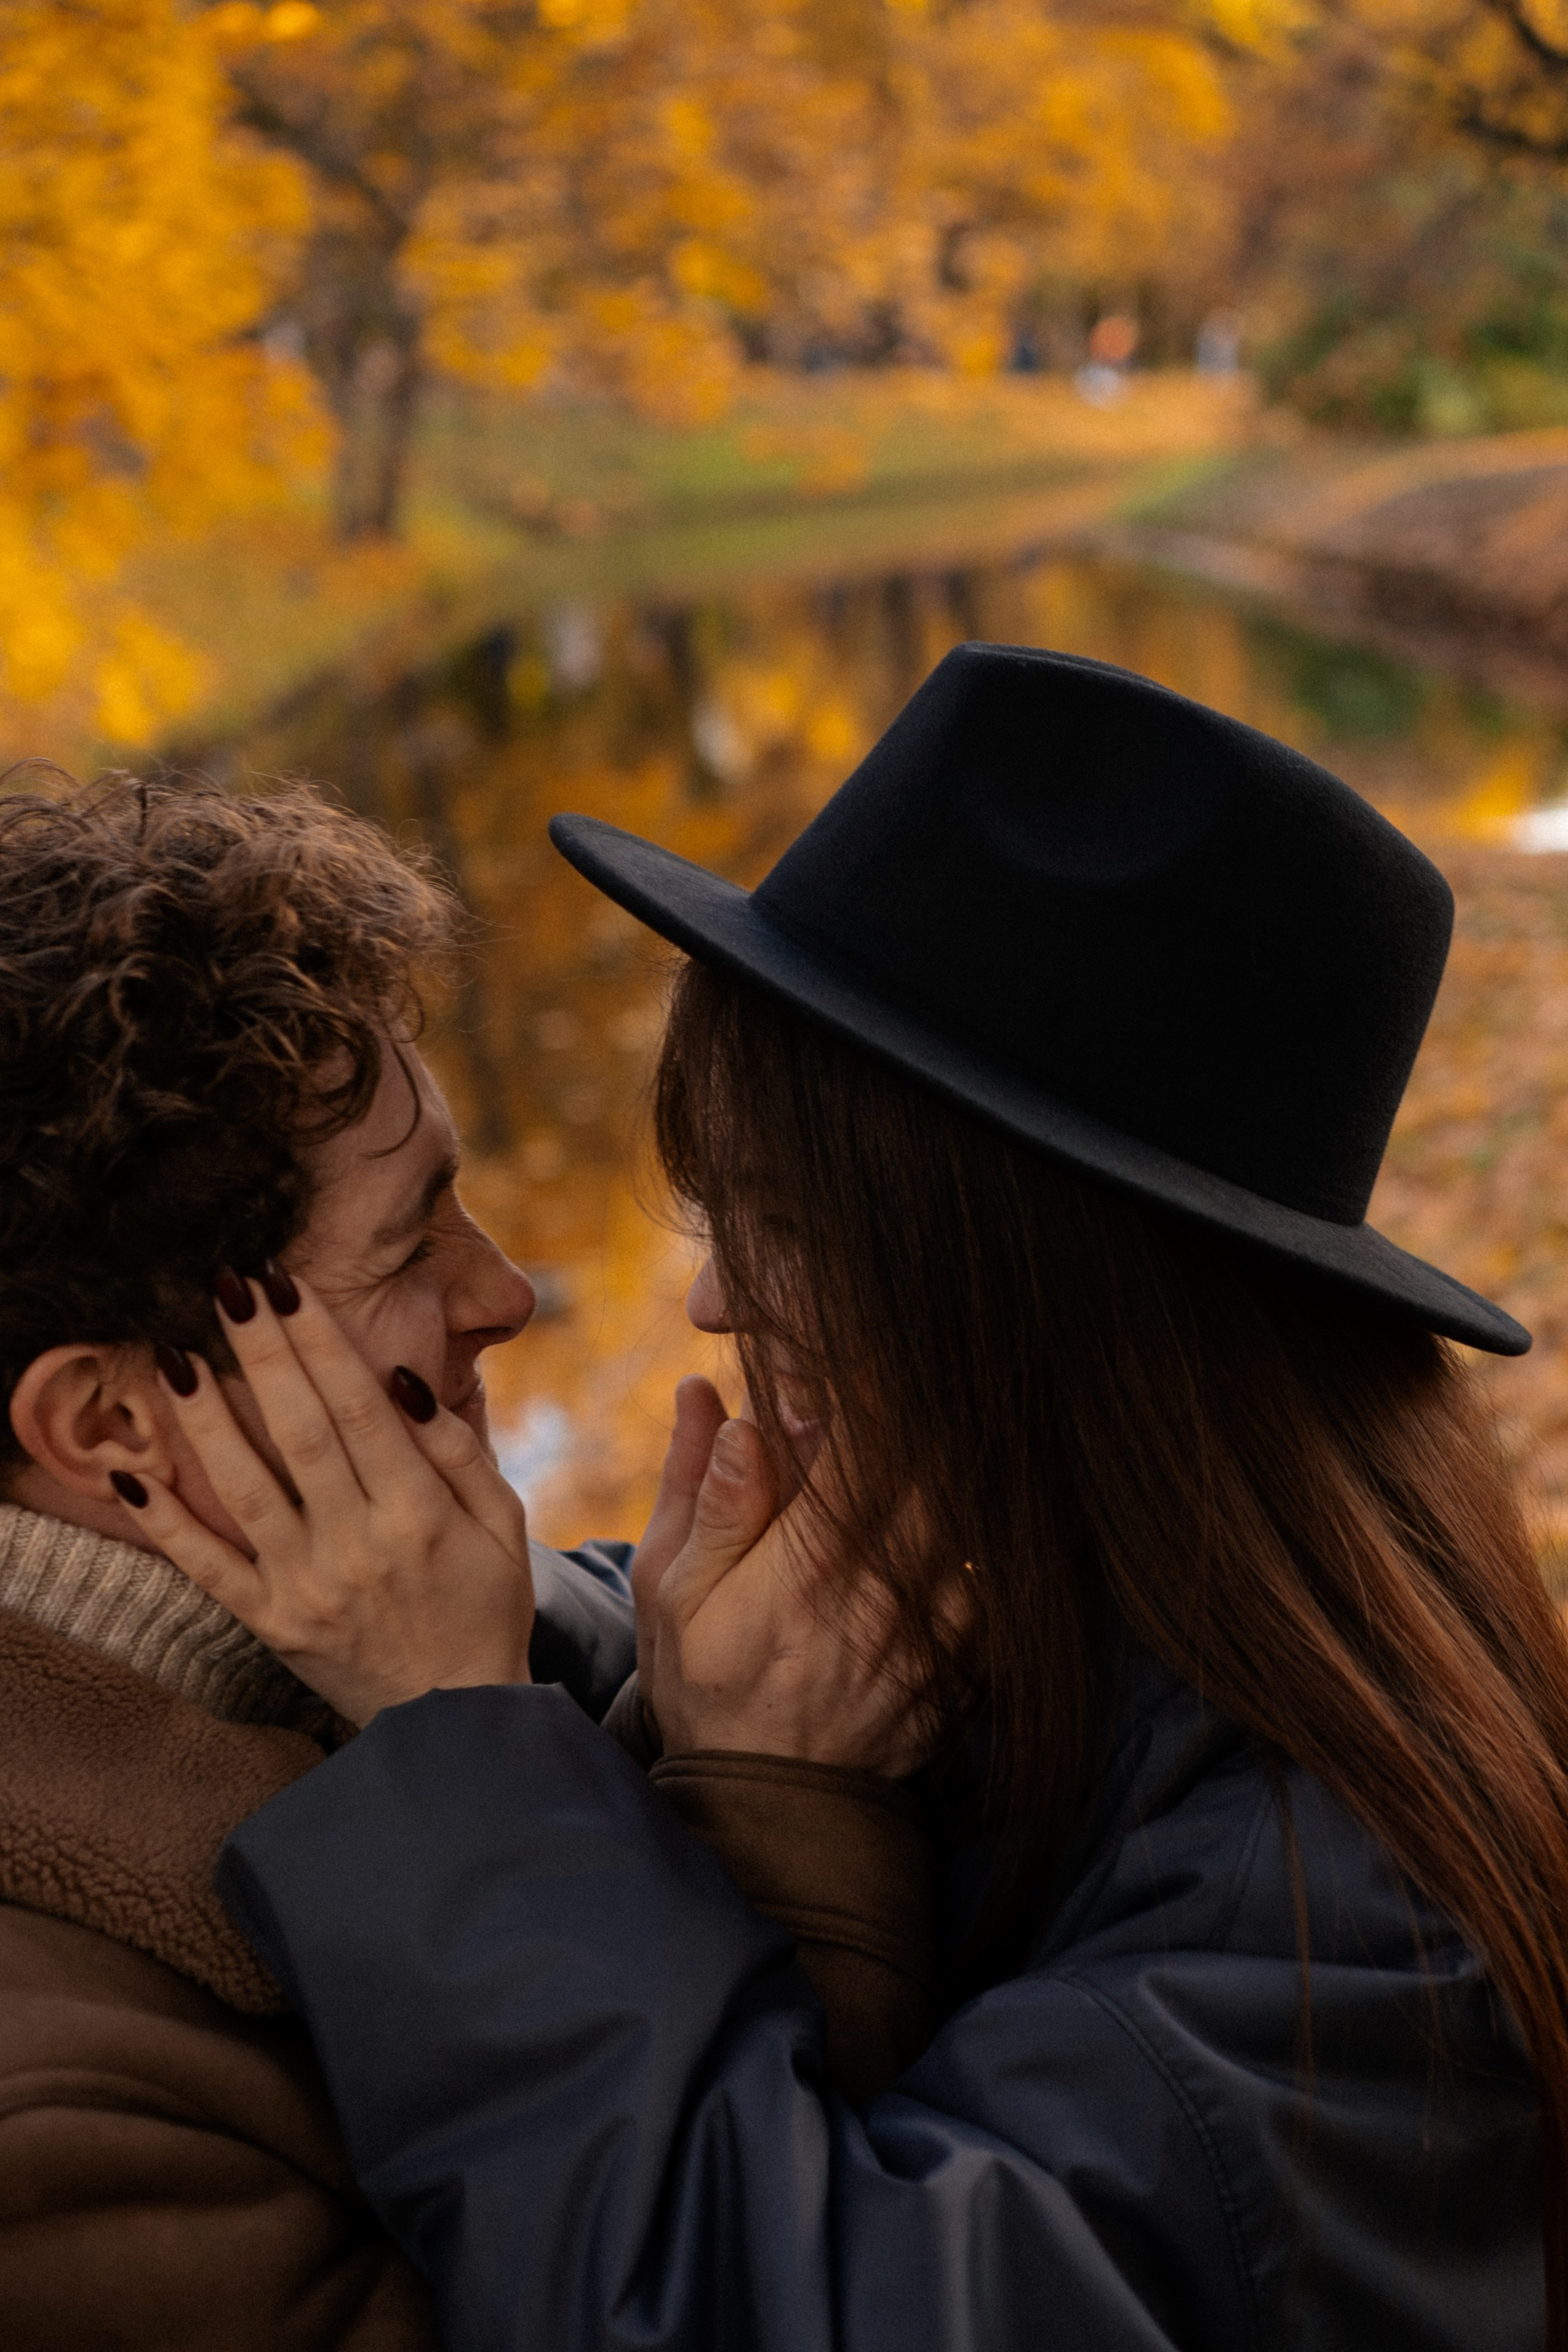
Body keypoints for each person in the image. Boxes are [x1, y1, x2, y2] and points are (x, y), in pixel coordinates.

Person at [130, 646, 1566, 2351]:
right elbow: (678, 1623)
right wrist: (445, 1600)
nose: (720, 1307)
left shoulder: (1345, 1941)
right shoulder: (1088, 1597)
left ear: (1027, 1288)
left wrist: (457, 1735)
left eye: (783, 1226)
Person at [0, 775, 658, 2347]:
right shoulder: (46, 2123)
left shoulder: (343, 1628)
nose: (505, 1295)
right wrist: (795, 1808)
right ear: (109, 1423)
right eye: (411, 1239)